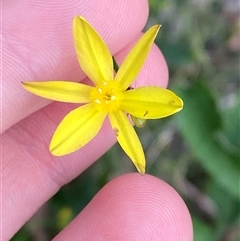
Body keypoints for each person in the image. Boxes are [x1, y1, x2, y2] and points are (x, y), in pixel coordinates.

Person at [2, 0, 193, 240]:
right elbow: (60, 138)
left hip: (120, 103)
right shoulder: (108, 94)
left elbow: (165, 104)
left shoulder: (126, 112)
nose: (107, 94)